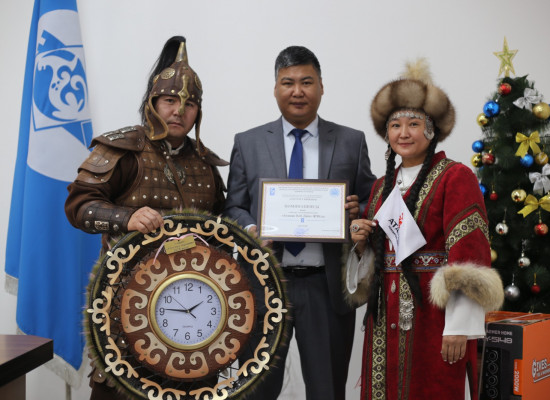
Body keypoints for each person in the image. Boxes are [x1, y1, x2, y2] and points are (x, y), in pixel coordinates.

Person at [65, 36, 227, 400]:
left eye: (189, 104)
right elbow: (78, 205)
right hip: (127, 311)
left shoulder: (206, 164)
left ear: (198, 112)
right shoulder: (124, 149)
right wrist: (126, 217)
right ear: (153, 103)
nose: (179, 111)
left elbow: (223, 231)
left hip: (194, 319)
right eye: (170, 100)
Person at [223, 45, 376, 400]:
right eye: (288, 82)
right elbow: (233, 207)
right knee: (256, 391)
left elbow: (373, 199)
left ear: (321, 87)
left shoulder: (351, 141)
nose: (297, 91)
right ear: (275, 88)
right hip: (264, 285)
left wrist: (359, 213)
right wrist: (251, 231)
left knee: (327, 391)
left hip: (326, 286)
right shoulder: (248, 143)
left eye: (306, 82)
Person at [345, 59, 504, 400]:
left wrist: (459, 327)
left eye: (414, 124)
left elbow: (470, 255)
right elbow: (377, 259)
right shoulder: (380, 186)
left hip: (434, 318)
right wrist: (360, 245)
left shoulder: (455, 177)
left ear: (431, 131)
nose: (403, 133)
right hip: (383, 317)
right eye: (395, 125)